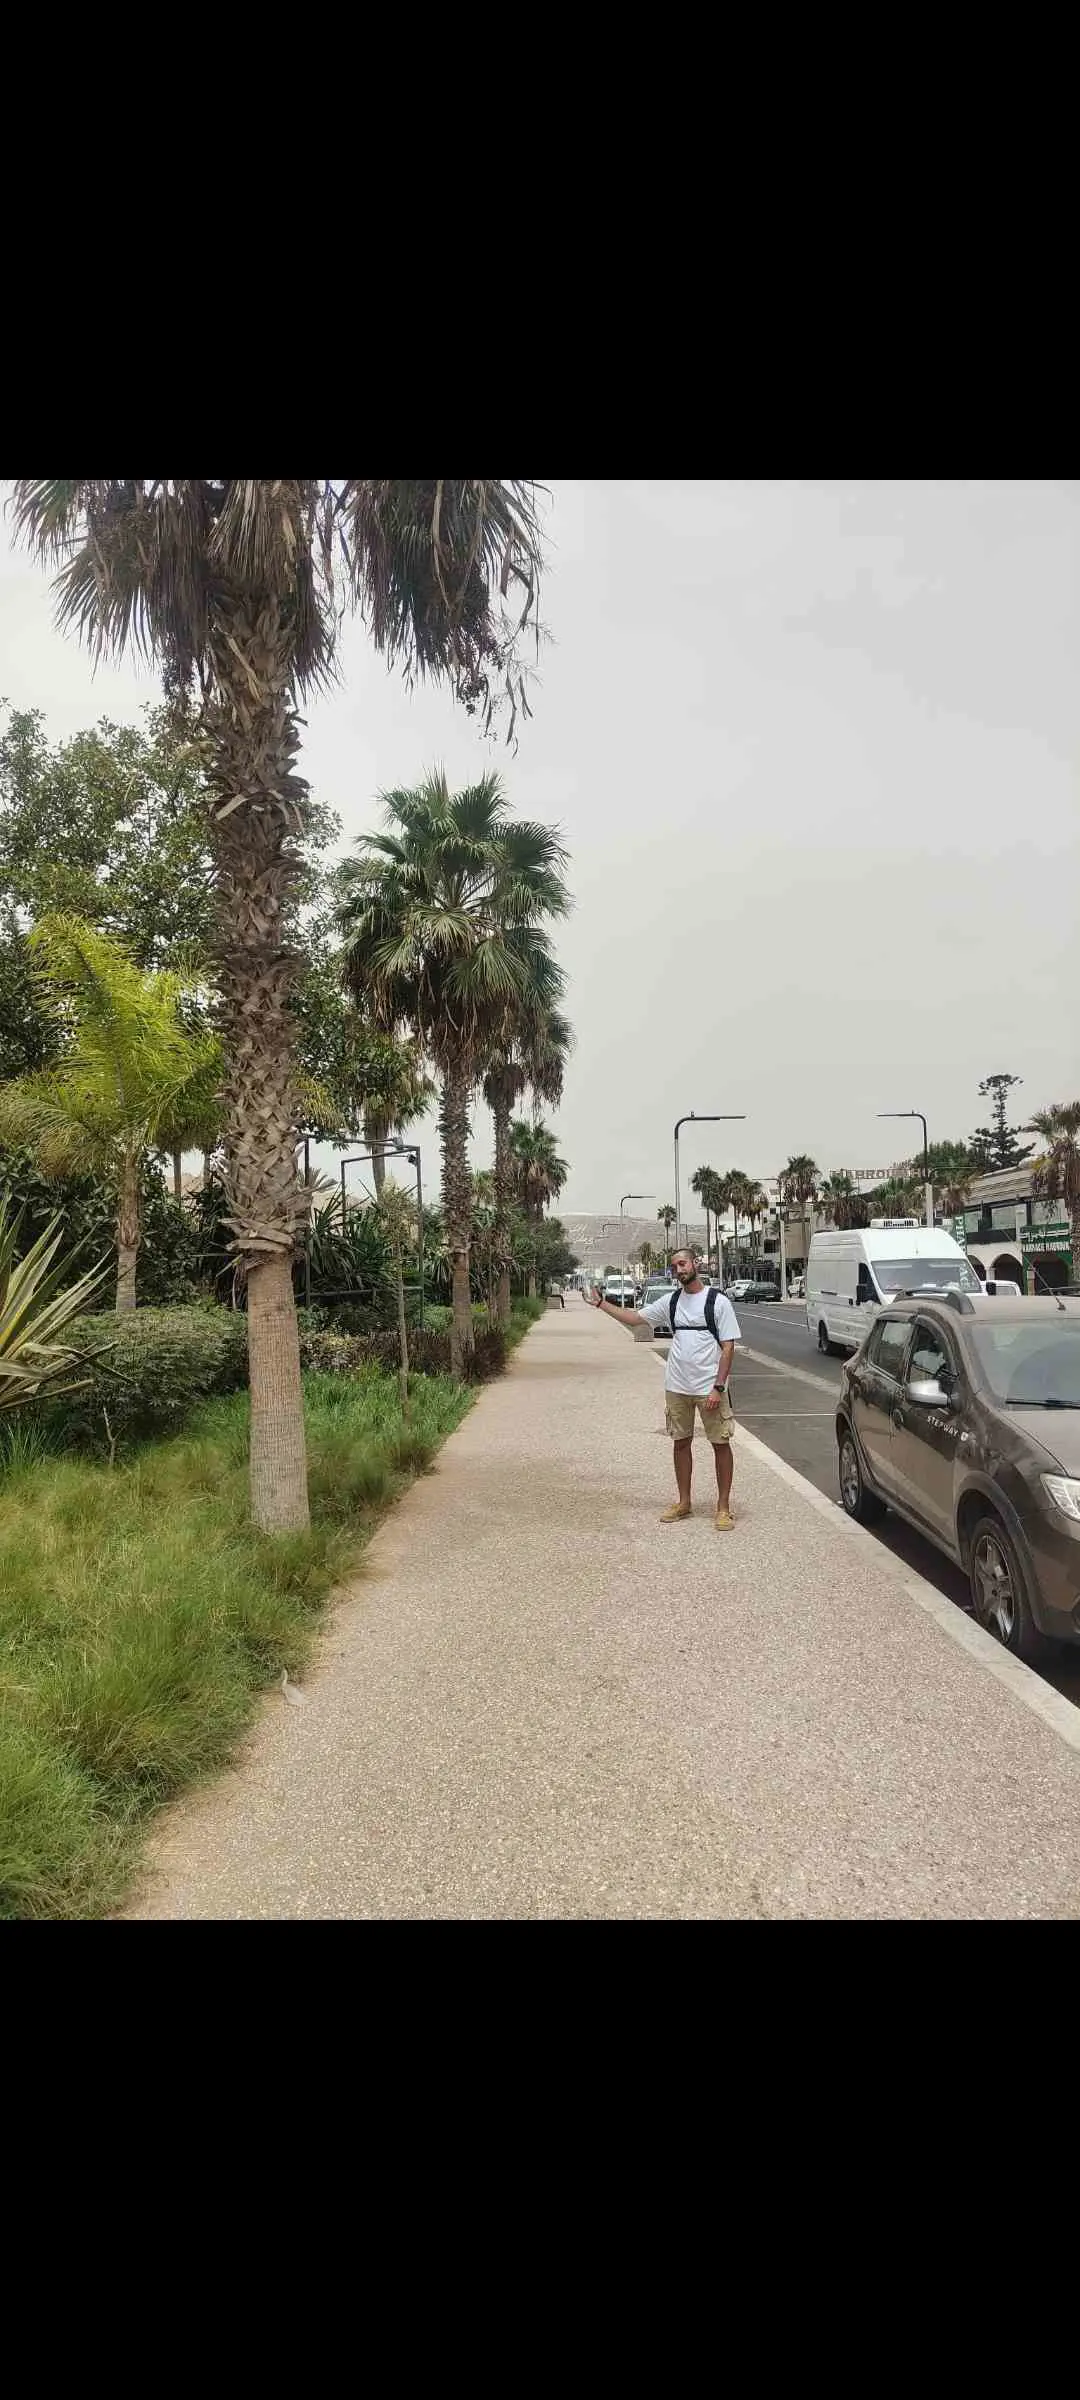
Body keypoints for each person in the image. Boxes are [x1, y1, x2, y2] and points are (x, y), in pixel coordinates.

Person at [590, 1247, 741, 1528]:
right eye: (674, 1267)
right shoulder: (671, 1301)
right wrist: (601, 1304)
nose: (679, 1270)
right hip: (677, 1386)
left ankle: (723, 1507)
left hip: (709, 1387)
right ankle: (684, 1502)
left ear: (695, 1264)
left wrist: (718, 1387)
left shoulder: (717, 1302)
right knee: (680, 1443)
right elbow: (635, 1318)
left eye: (683, 1264)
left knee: (720, 1444)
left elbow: (728, 1347)